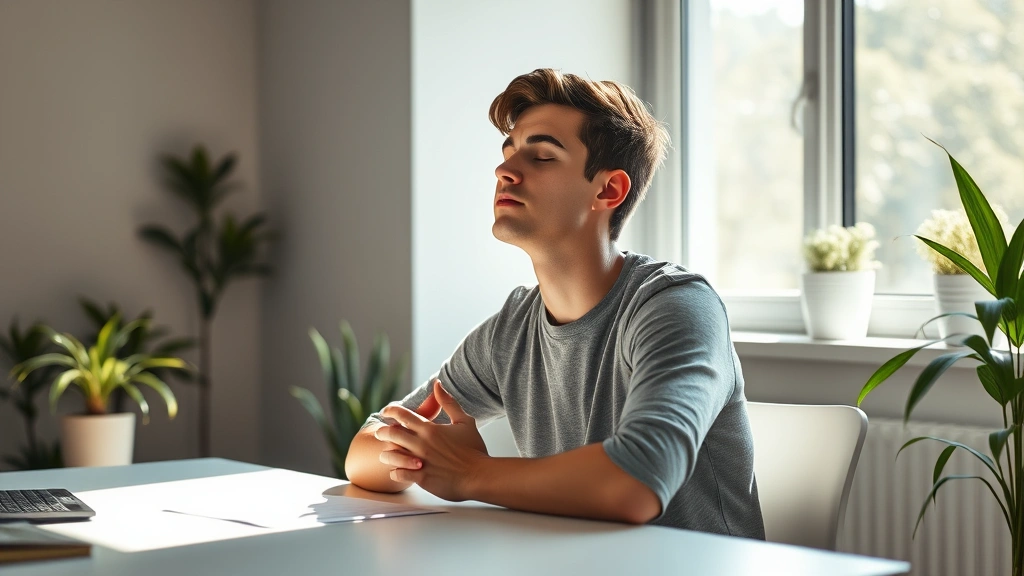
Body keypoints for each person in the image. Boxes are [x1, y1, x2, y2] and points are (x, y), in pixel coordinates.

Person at [344, 68, 765, 538]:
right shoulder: (511, 332)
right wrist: (428, 455)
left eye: (541, 156)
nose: (505, 170)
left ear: (608, 190)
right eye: (508, 152)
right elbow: (363, 452)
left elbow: (638, 482)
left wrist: (468, 473)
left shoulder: (675, 306)